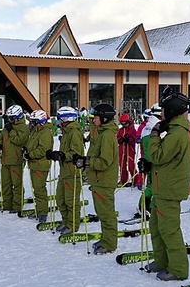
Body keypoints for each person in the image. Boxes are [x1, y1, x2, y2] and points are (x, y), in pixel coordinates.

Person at [145, 92, 190, 280]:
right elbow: (164, 160)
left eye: (163, 110)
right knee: (156, 226)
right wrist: (150, 165)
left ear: (172, 111)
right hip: (162, 188)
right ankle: (162, 261)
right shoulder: (173, 132)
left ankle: (178, 269)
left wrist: (154, 135)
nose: (161, 114)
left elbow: (158, 155)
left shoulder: (177, 134)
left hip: (169, 190)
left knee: (169, 230)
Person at [73, 103, 118, 255]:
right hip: (99, 179)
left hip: (104, 180)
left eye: (96, 117)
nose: (93, 120)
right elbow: (95, 155)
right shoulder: (101, 133)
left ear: (104, 118)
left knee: (106, 213)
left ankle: (110, 243)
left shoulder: (106, 136)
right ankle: (106, 238)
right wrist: (85, 160)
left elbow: (104, 161)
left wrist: (87, 162)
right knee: (102, 212)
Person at [48, 106, 84, 235]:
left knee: (71, 201)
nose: (58, 122)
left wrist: (63, 156)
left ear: (66, 118)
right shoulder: (66, 132)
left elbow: (77, 152)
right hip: (64, 172)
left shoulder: (74, 132)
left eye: (59, 119)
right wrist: (57, 154)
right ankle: (66, 221)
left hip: (72, 172)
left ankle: (73, 224)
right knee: (60, 199)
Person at [0, 105, 30, 213]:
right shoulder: (8, 126)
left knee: (17, 185)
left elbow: (18, 140)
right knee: (5, 184)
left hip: (16, 160)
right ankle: (7, 204)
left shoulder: (24, 128)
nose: (11, 119)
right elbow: (1, 137)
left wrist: (11, 131)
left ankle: (17, 205)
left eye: (13, 117)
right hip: (5, 159)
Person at [23, 110, 53, 222]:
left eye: (35, 122)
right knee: (36, 189)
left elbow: (43, 149)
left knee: (40, 189)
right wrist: (26, 149)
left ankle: (42, 212)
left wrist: (30, 155)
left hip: (40, 164)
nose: (32, 124)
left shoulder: (45, 132)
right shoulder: (36, 130)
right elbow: (32, 143)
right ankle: (39, 209)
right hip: (34, 164)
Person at [117, 113, 137, 187]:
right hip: (122, 151)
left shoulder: (132, 130)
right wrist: (121, 139)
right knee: (122, 166)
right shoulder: (121, 130)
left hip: (130, 150)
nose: (123, 125)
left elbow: (134, 139)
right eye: (122, 123)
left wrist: (129, 139)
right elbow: (117, 139)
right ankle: (123, 180)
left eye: (124, 123)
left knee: (131, 166)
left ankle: (135, 180)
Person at [134, 109, 150, 190]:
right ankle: (140, 182)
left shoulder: (152, 125)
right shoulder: (142, 126)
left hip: (151, 149)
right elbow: (137, 135)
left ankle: (149, 183)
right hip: (144, 150)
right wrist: (138, 138)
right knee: (143, 165)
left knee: (150, 166)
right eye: (147, 118)